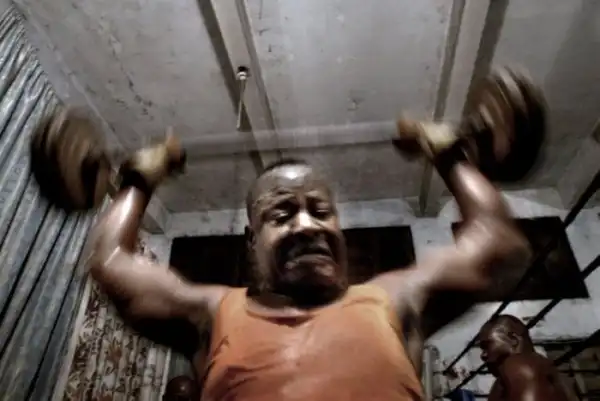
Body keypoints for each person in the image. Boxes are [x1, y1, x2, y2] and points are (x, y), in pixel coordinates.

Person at [87, 132, 531, 401]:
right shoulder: (211, 312)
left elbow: (500, 247)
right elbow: (112, 264)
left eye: (320, 211)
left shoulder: (395, 300)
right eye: (281, 215)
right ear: (252, 241)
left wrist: (450, 155)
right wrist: (138, 181)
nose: (306, 226)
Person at [478, 315, 572, 401]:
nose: (483, 355)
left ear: (513, 340)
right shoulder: (541, 368)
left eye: (487, 345)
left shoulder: (519, 366)